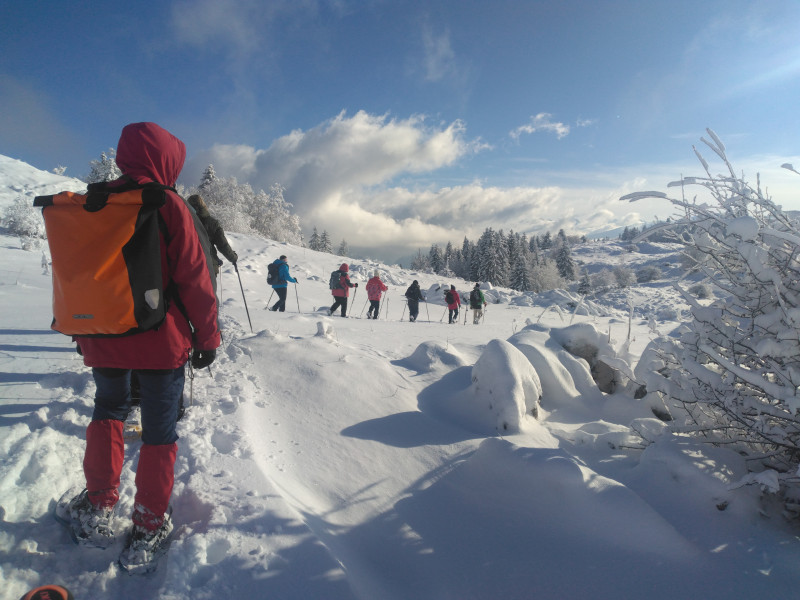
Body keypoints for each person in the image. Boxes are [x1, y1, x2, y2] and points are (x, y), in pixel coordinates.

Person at [61, 122, 220, 570]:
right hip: (159, 343)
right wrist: (207, 337)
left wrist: (82, 329)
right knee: (159, 431)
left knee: (108, 412)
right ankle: (149, 525)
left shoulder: (95, 200)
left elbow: (78, 275)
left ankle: (97, 507)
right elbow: (195, 279)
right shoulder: (167, 203)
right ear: (167, 160)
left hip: (105, 337)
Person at [187, 194, 238, 276]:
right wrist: (233, 258)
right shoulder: (212, 223)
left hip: (186, 267)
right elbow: (223, 245)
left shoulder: (184, 222)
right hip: (208, 268)